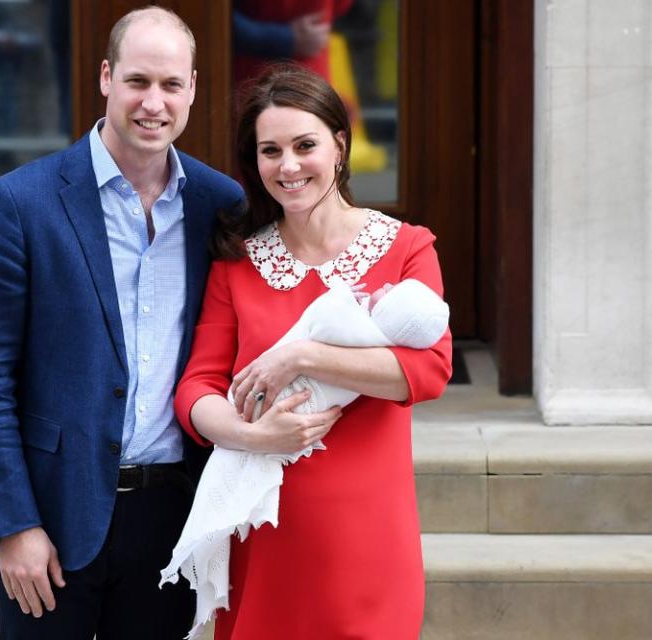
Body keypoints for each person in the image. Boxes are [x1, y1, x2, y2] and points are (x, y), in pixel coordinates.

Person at [0, 7, 243, 639]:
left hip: (175, 514)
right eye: (138, 81)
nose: (154, 103)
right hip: (52, 519)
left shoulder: (219, 205)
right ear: (106, 77)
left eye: (172, 85)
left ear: (193, 89)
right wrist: (13, 524)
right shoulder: (19, 203)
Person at [173, 64, 452, 639]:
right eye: (270, 151)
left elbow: (428, 370)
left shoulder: (406, 248)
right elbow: (195, 388)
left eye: (305, 145)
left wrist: (301, 356)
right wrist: (252, 435)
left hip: (369, 536)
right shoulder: (237, 262)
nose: (289, 165)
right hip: (263, 535)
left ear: (340, 146)